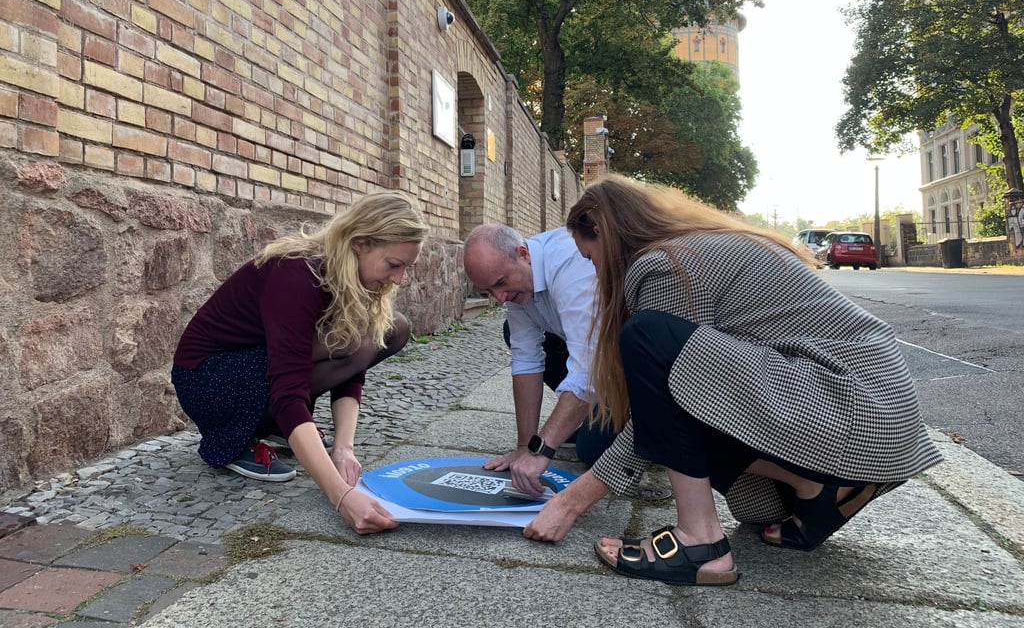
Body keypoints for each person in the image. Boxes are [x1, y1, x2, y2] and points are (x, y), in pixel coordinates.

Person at [523, 175, 943, 586]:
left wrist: (570, 501)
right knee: (756, 508)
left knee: (646, 338)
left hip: (855, 404)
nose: (595, 273)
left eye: (590, 257)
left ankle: (700, 542)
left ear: (605, 234)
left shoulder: (662, 265)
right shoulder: (697, 246)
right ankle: (816, 485)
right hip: (877, 413)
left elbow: (661, 403)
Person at [171, 190, 430, 535]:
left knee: (390, 329)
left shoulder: (352, 275)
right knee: (354, 340)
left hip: (257, 365)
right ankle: (238, 437)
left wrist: (344, 449)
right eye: (394, 265)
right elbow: (288, 388)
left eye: (405, 268)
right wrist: (342, 498)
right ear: (359, 244)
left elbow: (351, 369)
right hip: (209, 381)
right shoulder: (296, 273)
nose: (398, 279)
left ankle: (278, 428)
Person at [463, 224, 617, 497]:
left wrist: (541, 450)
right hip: (589, 353)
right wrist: (526, 446)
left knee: (593, 451)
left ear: (523, 254)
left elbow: (589, 369)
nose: (499, 299)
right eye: (488, 291)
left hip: (626, 359)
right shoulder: (517, 280)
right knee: (511, 330)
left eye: (500, 283)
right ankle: (584, 412)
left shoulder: (571, 268)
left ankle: (630, 419)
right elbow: (526, 358)